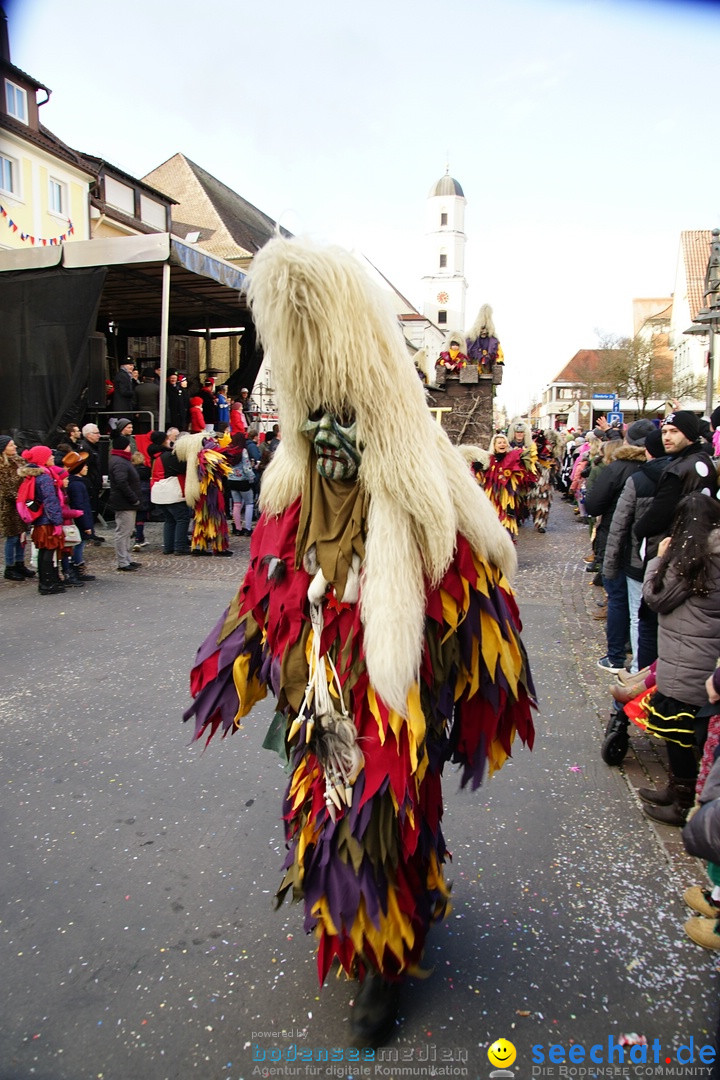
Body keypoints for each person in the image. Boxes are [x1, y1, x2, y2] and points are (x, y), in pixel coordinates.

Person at [183, 237, 536, 1047]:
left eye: (341, 420)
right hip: (320, 695)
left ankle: (383, 964)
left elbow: (474, 582)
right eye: (316, 421)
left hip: (391, 694)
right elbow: (263, 587)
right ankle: (371, 930)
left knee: (388, 814)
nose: (327, 433)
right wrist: (239, 659)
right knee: (328, 818)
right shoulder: (287, 484)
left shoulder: (418, 478)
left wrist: (478, 687)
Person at [632, 493, 720, 826]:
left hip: (687, 660)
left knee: (679, 733)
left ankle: (682, 802)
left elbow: (657, 597)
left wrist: (659, 557)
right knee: (690, 733)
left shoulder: (693, 560)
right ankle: (677, 789)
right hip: (703, 658)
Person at [584, 418, 654, 673]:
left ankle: (616, 656)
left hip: (618, 540)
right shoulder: (660, 468)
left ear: (628, 440)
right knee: (642, 606)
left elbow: (593, 505)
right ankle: (640, 657)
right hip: (649, 545)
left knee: (619, 600)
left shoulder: (618, 468)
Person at [602, 427, 668, 674]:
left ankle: (639, 670)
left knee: (638, 615)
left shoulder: (639, 479)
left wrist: (609, 566)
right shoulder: (686, 473)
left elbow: (619, 526)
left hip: (638, 560)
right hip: (669, 557)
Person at [174, 433, 232, 556]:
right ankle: (218, 547)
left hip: (203, 492)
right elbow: (219, 468)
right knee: (215, 518)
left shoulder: (195, 457)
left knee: (201, 519)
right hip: (211, 492)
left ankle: (199, 546)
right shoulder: (206, 455)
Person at [19, 445, 65, 595]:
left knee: (43, 551)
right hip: (47, 519)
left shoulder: (34, 475)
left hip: (40, 519)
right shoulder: (45, 477)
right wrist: (57, 521)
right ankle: (48, 583)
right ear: (43, 458)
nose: (52, 457)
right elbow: (50, 500)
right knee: (49, 550)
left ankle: (46, 582)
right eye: (49, 455)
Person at [480, 431, 537, 540]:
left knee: (507, 523)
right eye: (499, 443)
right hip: (492, 497)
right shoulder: (489, 459)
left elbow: (523, 471)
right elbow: (481, 477)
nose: (502, 444)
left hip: (508, 497)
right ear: (494, 446)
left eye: (504, 442)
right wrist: (478, 468)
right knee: (492, 522)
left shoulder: (513, 457)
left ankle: (507, 547)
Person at [0, 435, 35, 581]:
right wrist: (21, 500)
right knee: (12, 536)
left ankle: (20, 563)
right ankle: (10, 566)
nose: (14, 447)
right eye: (10, 445)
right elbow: (6, 489)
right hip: (8, 506)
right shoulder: (2, 467)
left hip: (22, 503)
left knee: (22, 535)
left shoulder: (20, 461)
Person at [150, 432, 191, 556]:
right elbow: (184, 467)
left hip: (159, 492)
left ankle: (168, 547)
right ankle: (180, 546)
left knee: (169, 520)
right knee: (182, 518)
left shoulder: (157, 455)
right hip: (172, 492)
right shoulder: (169, 456)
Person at [108, 435, 142, 572]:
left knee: (126, 532)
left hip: (125, 501)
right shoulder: (120, 462)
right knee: (123, 532)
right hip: (125, 502)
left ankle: (126, 558)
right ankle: (123, 561)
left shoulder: (120, 460)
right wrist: (133, 498)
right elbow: (122, 482)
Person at [63, 450, 96, 582]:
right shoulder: (77, 485)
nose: (86, 467)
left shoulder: (75, 483)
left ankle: (76, 567)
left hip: (81, 518)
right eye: (84, 465)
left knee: (79, 544)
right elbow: (79, 506)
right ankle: (77, 567)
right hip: (80, 520)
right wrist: (87, 525)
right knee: (78, 544)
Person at [465, 303, 504, 374]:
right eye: (482, 329)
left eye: (486, 329)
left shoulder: (493, 340)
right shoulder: (471, 339)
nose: (484, 331)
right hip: (472, 371)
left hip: (487, 370)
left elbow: (498, 352)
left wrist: (499, 361)